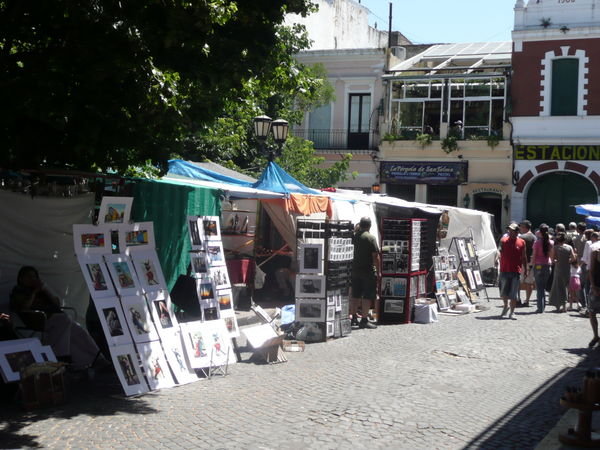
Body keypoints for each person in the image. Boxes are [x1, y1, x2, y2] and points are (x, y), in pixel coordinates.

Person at [10, 266, 105, 369]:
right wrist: (34, 293)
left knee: (77, 330)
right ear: (21, 278)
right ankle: (61, 356)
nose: (32, 279)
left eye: (34, 277)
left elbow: (57, 304)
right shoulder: (18, 291)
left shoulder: (41, 290)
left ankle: (98, 358)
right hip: (39, 319)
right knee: (64, 319)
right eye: (28, 276)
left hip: (54, 317)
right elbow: (24, 307)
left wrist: (45, 289)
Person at [351, 217, 380, 329]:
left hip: (355, 270)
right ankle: (364, 319)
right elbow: (375, 256)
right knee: (367, 296)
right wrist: (378, 270)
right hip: (367, 271)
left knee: (355, 294)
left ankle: (353, 317)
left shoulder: (354, 237)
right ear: (369, 225)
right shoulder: (370, 238)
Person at [498, 223, 527, 319]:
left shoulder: (521, 242)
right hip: (504, 270)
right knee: (503, 292)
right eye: (509, 230)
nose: (510, 232)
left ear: (517, 232)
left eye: (512, 230)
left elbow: (524, 257)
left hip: (515, 271)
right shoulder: (503, 240)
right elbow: (499, 251)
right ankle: (506, 305)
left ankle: (512, 312)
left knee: (513, 294)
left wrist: (525, 269)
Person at [548, 233, 576, 313]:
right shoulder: (569, 247)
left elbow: (553, 260)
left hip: (559, 269)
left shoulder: (555, 248)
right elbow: (573, 258)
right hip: (567, 269)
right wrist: (568, 261)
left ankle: (560, 305)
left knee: (559, 287)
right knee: (567, 287)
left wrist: (557, 261)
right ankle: (566, 305)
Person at [531, 224, 553, 313]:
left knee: (539, 288)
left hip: (538, 265)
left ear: (539, 232)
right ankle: (542, 306)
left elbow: (534, 255)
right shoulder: (551, 242)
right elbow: (552, 255)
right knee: (543, 287)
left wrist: (531, 266)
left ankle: (540, 307)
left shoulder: (537, 243)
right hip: (547, 265)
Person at [518, 220, 536, 307]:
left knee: (518, 281)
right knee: (530, 282)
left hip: (522, 263)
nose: (520, 228)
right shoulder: (535, 237)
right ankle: (527, 300)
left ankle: (517, 299)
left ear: (524, 227)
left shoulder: (521, 237)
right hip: (532, 263)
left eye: (521, 226)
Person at [587, 243, 600, 348]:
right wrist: (593, 286)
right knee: (592, 312)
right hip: (597, 286)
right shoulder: (595, 253)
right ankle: (596, 336)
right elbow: (591, 271)